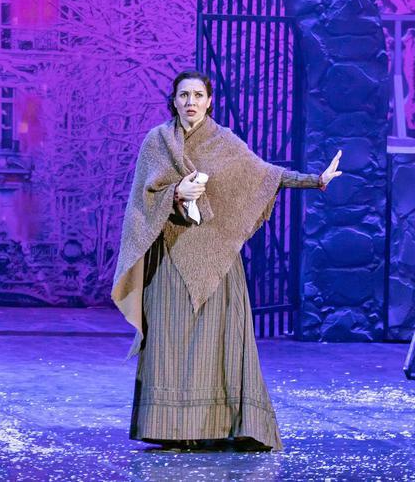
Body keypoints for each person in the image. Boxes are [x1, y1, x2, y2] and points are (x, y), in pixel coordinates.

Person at [110, 70, 342, 451]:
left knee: (218, 345)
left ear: (209, 101)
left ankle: (222, 424)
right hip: (169, 258)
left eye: (198, 95)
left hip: (216, 261)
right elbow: (142, 200)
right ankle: (171, 428)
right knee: (169, 343)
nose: (191, 102)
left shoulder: (224, 142)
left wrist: (315, 180)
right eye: (184, 95)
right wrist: (175, 192)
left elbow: (265, 175)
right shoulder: (157, 142)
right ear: (173, 101)